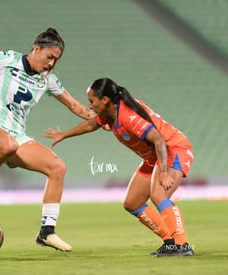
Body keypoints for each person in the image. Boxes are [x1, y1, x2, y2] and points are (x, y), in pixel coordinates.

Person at [0, 27, 96, 252]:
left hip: (16, 136)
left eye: (56, 60)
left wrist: (104, 119)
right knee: (7, 144)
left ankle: (47, 232)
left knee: (57, 168)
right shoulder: (8, 59)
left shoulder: (47, 80)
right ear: (36, 49)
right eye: (49, 57)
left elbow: (75, 106)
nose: (52, 63)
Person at [44, 78, 194, 257]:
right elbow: (92, 124)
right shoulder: (110, 114)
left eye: (92, 101)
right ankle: (169, 242)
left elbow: (159, 140)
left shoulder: (128, 116)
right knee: (132, 203)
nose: (90, 105)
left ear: (105, 100)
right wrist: (64, 135)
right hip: (154, 155)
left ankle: (182, 244)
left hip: (171, 149)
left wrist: (163, 172)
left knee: (159, 196)